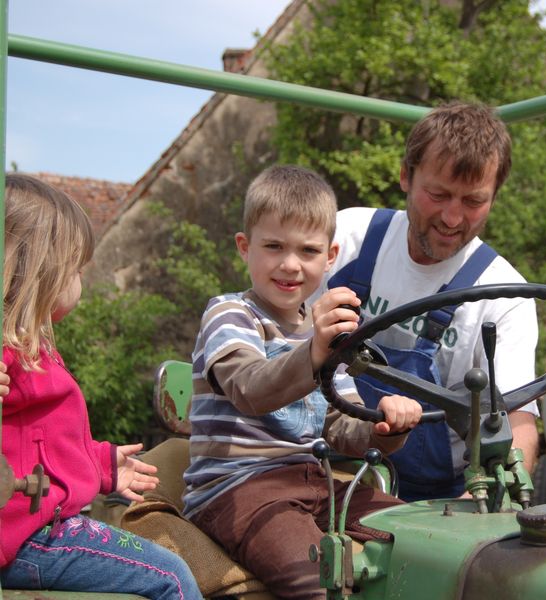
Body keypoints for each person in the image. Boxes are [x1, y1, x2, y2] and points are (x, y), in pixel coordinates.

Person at [182, 164, 422, 600]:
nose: (290, 265)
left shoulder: (327, 336)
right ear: (244, 247)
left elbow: (343, 430)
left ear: (330, 257)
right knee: (319, 578)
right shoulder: (230, 315)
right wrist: (314, 352)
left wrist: (385, 429)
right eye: (273, 246)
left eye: (308, 251)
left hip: (318, 482)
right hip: (238, 487)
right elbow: (249, 389)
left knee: (422, 544)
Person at [321, 102, 539, 500]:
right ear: (406, 175)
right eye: (438, 195)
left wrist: (490, 493)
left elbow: (518, 420)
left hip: (435, 500)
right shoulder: (345, 238)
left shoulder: (505, 295)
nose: (453, 218)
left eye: (473, 202)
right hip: (326, 468)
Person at [0, 174, 202, 599]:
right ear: (42, 271)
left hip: (42, 527)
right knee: (172, 577)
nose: (80, 281)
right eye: (76, 269)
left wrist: (103, 464)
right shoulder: (8, 353)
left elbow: (39, 447)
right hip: (34, 537)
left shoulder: (34, 351)